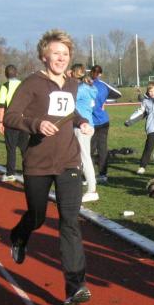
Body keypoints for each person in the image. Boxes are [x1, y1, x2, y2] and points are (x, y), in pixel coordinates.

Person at [4, 29, 94, 305]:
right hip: (38, 163)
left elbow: (69, 112)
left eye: (65, 54)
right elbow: (10, 117)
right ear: (44, 56)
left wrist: (81, 121)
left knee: (70, 222)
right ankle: (19, 235)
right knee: (37, 217)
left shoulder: (72, 84)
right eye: (56, 53)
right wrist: (35, 124)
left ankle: (75, 286)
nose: (61, 58)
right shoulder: (32, 83)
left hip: (68, 161)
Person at [69, 63, 99, 202]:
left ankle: (92, 190)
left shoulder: (79, 89)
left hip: (81, 126)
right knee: (80, 157)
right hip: (88, 124)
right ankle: (81, 183)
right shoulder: (91, 88)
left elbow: (70, 104)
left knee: (84, 157)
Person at [0, 64, 29, 182]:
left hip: (10, 121)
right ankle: (28, 173)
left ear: (6, 75)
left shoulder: (5, 86)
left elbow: (1, 105)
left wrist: (0, 122)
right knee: (25, 149)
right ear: (17, 73)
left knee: (11, 148)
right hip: (24, 121)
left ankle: (10, 173)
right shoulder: (24, 85)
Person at [90, 65, 111, 184]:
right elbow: (103, 102)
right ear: (100, 74)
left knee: (89, 150)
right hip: (104, 121)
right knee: (102, 149)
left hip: (92, 122)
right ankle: (103, 174)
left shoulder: (86, 86)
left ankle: (89, 175)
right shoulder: (104, 87)